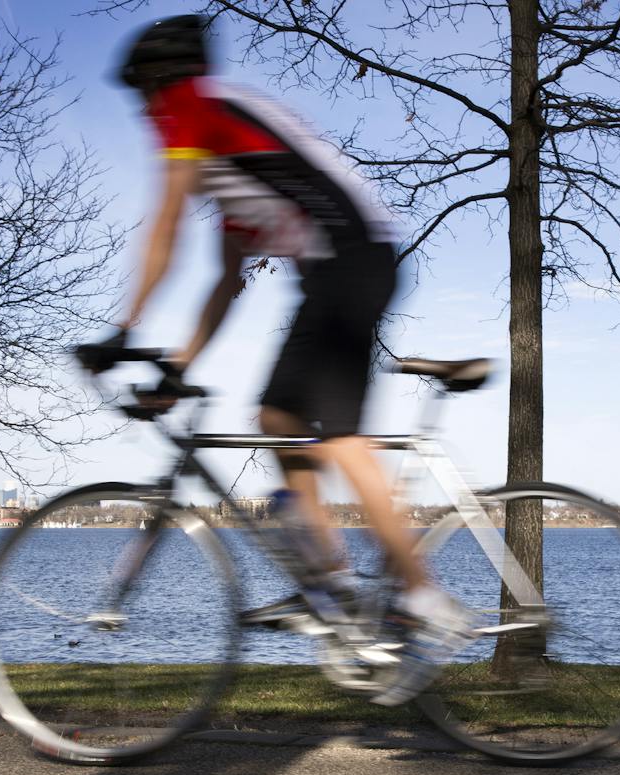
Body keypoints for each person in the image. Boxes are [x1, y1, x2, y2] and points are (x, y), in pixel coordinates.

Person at [104, 14, 467, 706]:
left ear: (161, 82)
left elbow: (164, 233)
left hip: (350, 266)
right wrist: (177, 368)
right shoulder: (231, 170)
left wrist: (123, 328)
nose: (146, 112)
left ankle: (426, 599)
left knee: (342, 440)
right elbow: (223, 282)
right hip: (340, 269)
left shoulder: (194, 109)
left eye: (145, 95)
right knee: (275, 413)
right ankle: (328, 587)